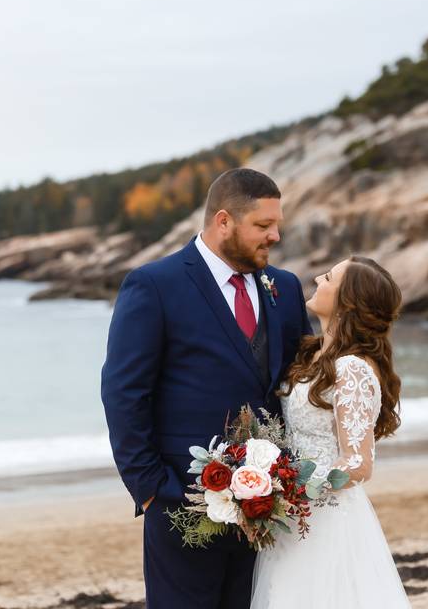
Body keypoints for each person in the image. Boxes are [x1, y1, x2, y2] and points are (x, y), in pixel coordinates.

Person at [101, 168, 313, 609]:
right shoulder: (155, 284)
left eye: (277, 224)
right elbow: (124, 392)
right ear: (223, 221)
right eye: (262, 225)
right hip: (183, 498)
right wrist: (152, 488)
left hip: (268, 505)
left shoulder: (285, 288)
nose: (275, 236)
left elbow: (301, 380)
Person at [250, 255, 410, 608]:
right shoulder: (313, 355)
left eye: (328, 278)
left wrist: (293, 490)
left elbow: (358, 463)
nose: (318, 280)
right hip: (295, 517)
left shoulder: (351, 368)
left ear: (347, 300)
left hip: (325, 519)